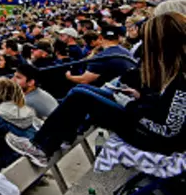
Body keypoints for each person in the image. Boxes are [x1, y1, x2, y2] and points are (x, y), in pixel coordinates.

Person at [9, 12, 186, 167]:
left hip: (156, 141)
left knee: (81, 96)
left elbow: (167, 130)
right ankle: (54, 140)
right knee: (82, 91)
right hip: (148, 125)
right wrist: (140, 97)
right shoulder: (176, 71)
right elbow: (164, 107)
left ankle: (40, 146)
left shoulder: (182, 79)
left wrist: (132, 106)